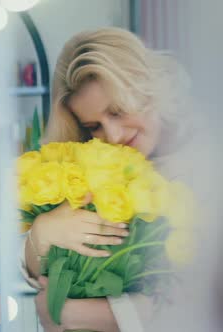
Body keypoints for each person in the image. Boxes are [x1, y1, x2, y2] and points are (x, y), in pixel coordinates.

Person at [21, 27, 200, 331]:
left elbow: (198, 302)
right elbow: (43, 276)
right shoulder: (91, 172)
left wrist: (78, 314)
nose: (113, 136)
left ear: (147, 87)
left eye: (118, 111)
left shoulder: (205, 168)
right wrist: (42, 233)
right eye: (94, 126)